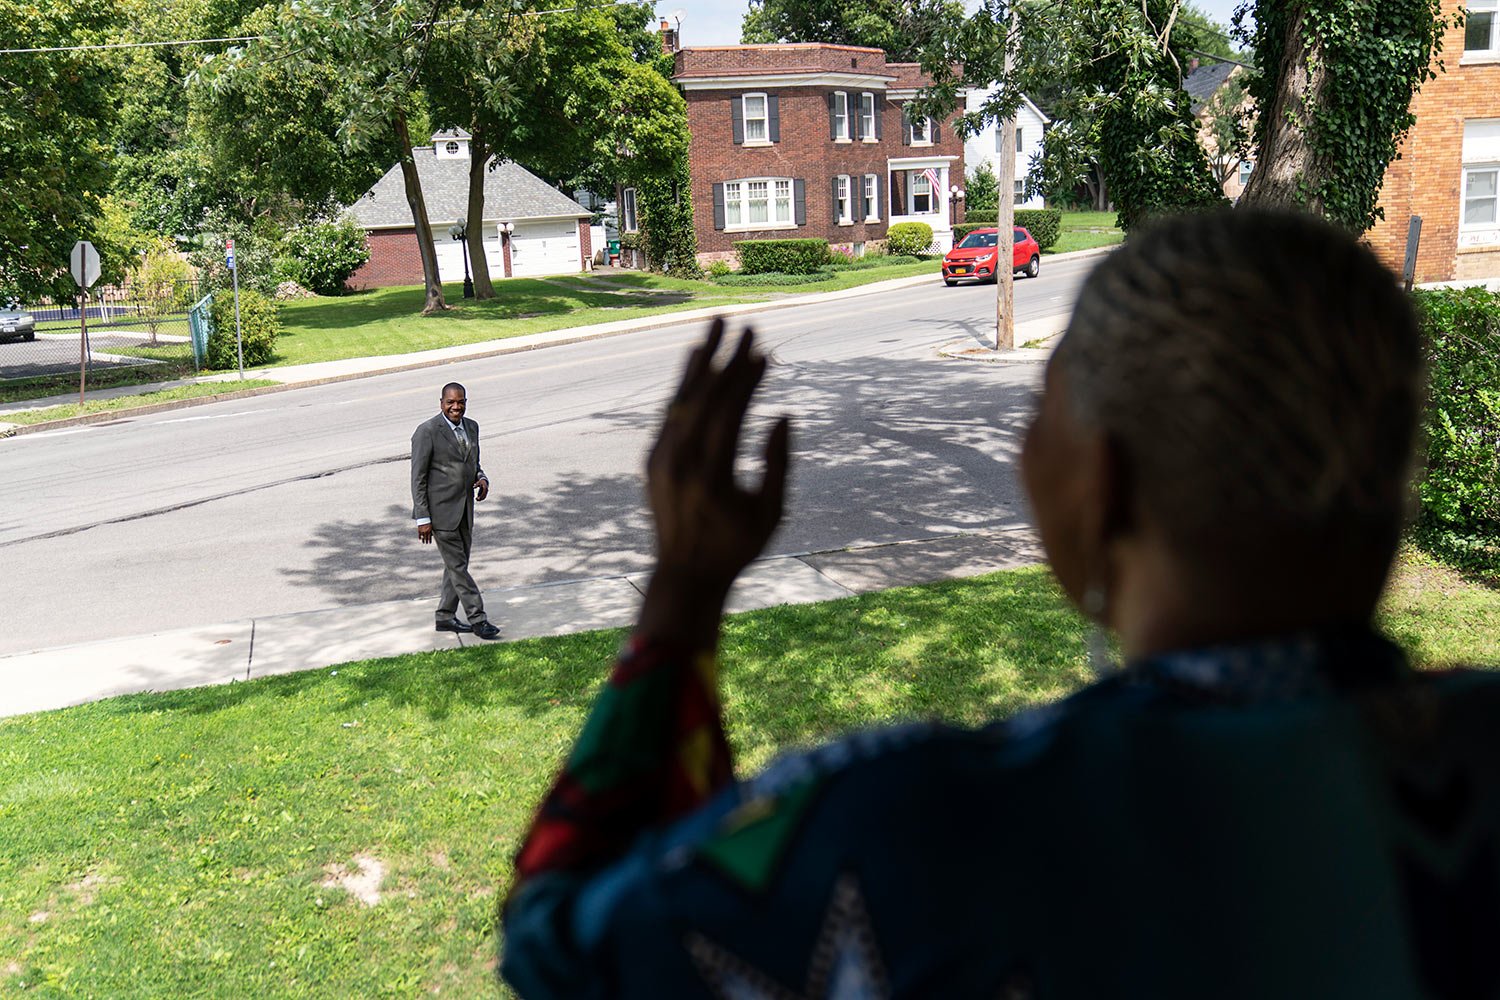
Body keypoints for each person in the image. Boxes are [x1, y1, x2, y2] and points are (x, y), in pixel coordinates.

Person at [499, 212, 1500, 997]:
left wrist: (683, 591)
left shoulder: (918, 827)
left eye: (1039, 412)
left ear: (1103, 487)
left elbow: (560, 945)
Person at [411, 381, 500, 640]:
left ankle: (445, 616)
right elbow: (418, 477)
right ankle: (478, 619)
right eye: (450, 402)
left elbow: (473, 461)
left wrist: (482, 478)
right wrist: (423, 517)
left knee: (456, 566)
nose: (456, 407)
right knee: (459, 567)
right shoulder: (426, 431)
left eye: (460, 402)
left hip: (465, 510)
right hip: (440, 514)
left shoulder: (471, 427)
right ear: (441, 403)